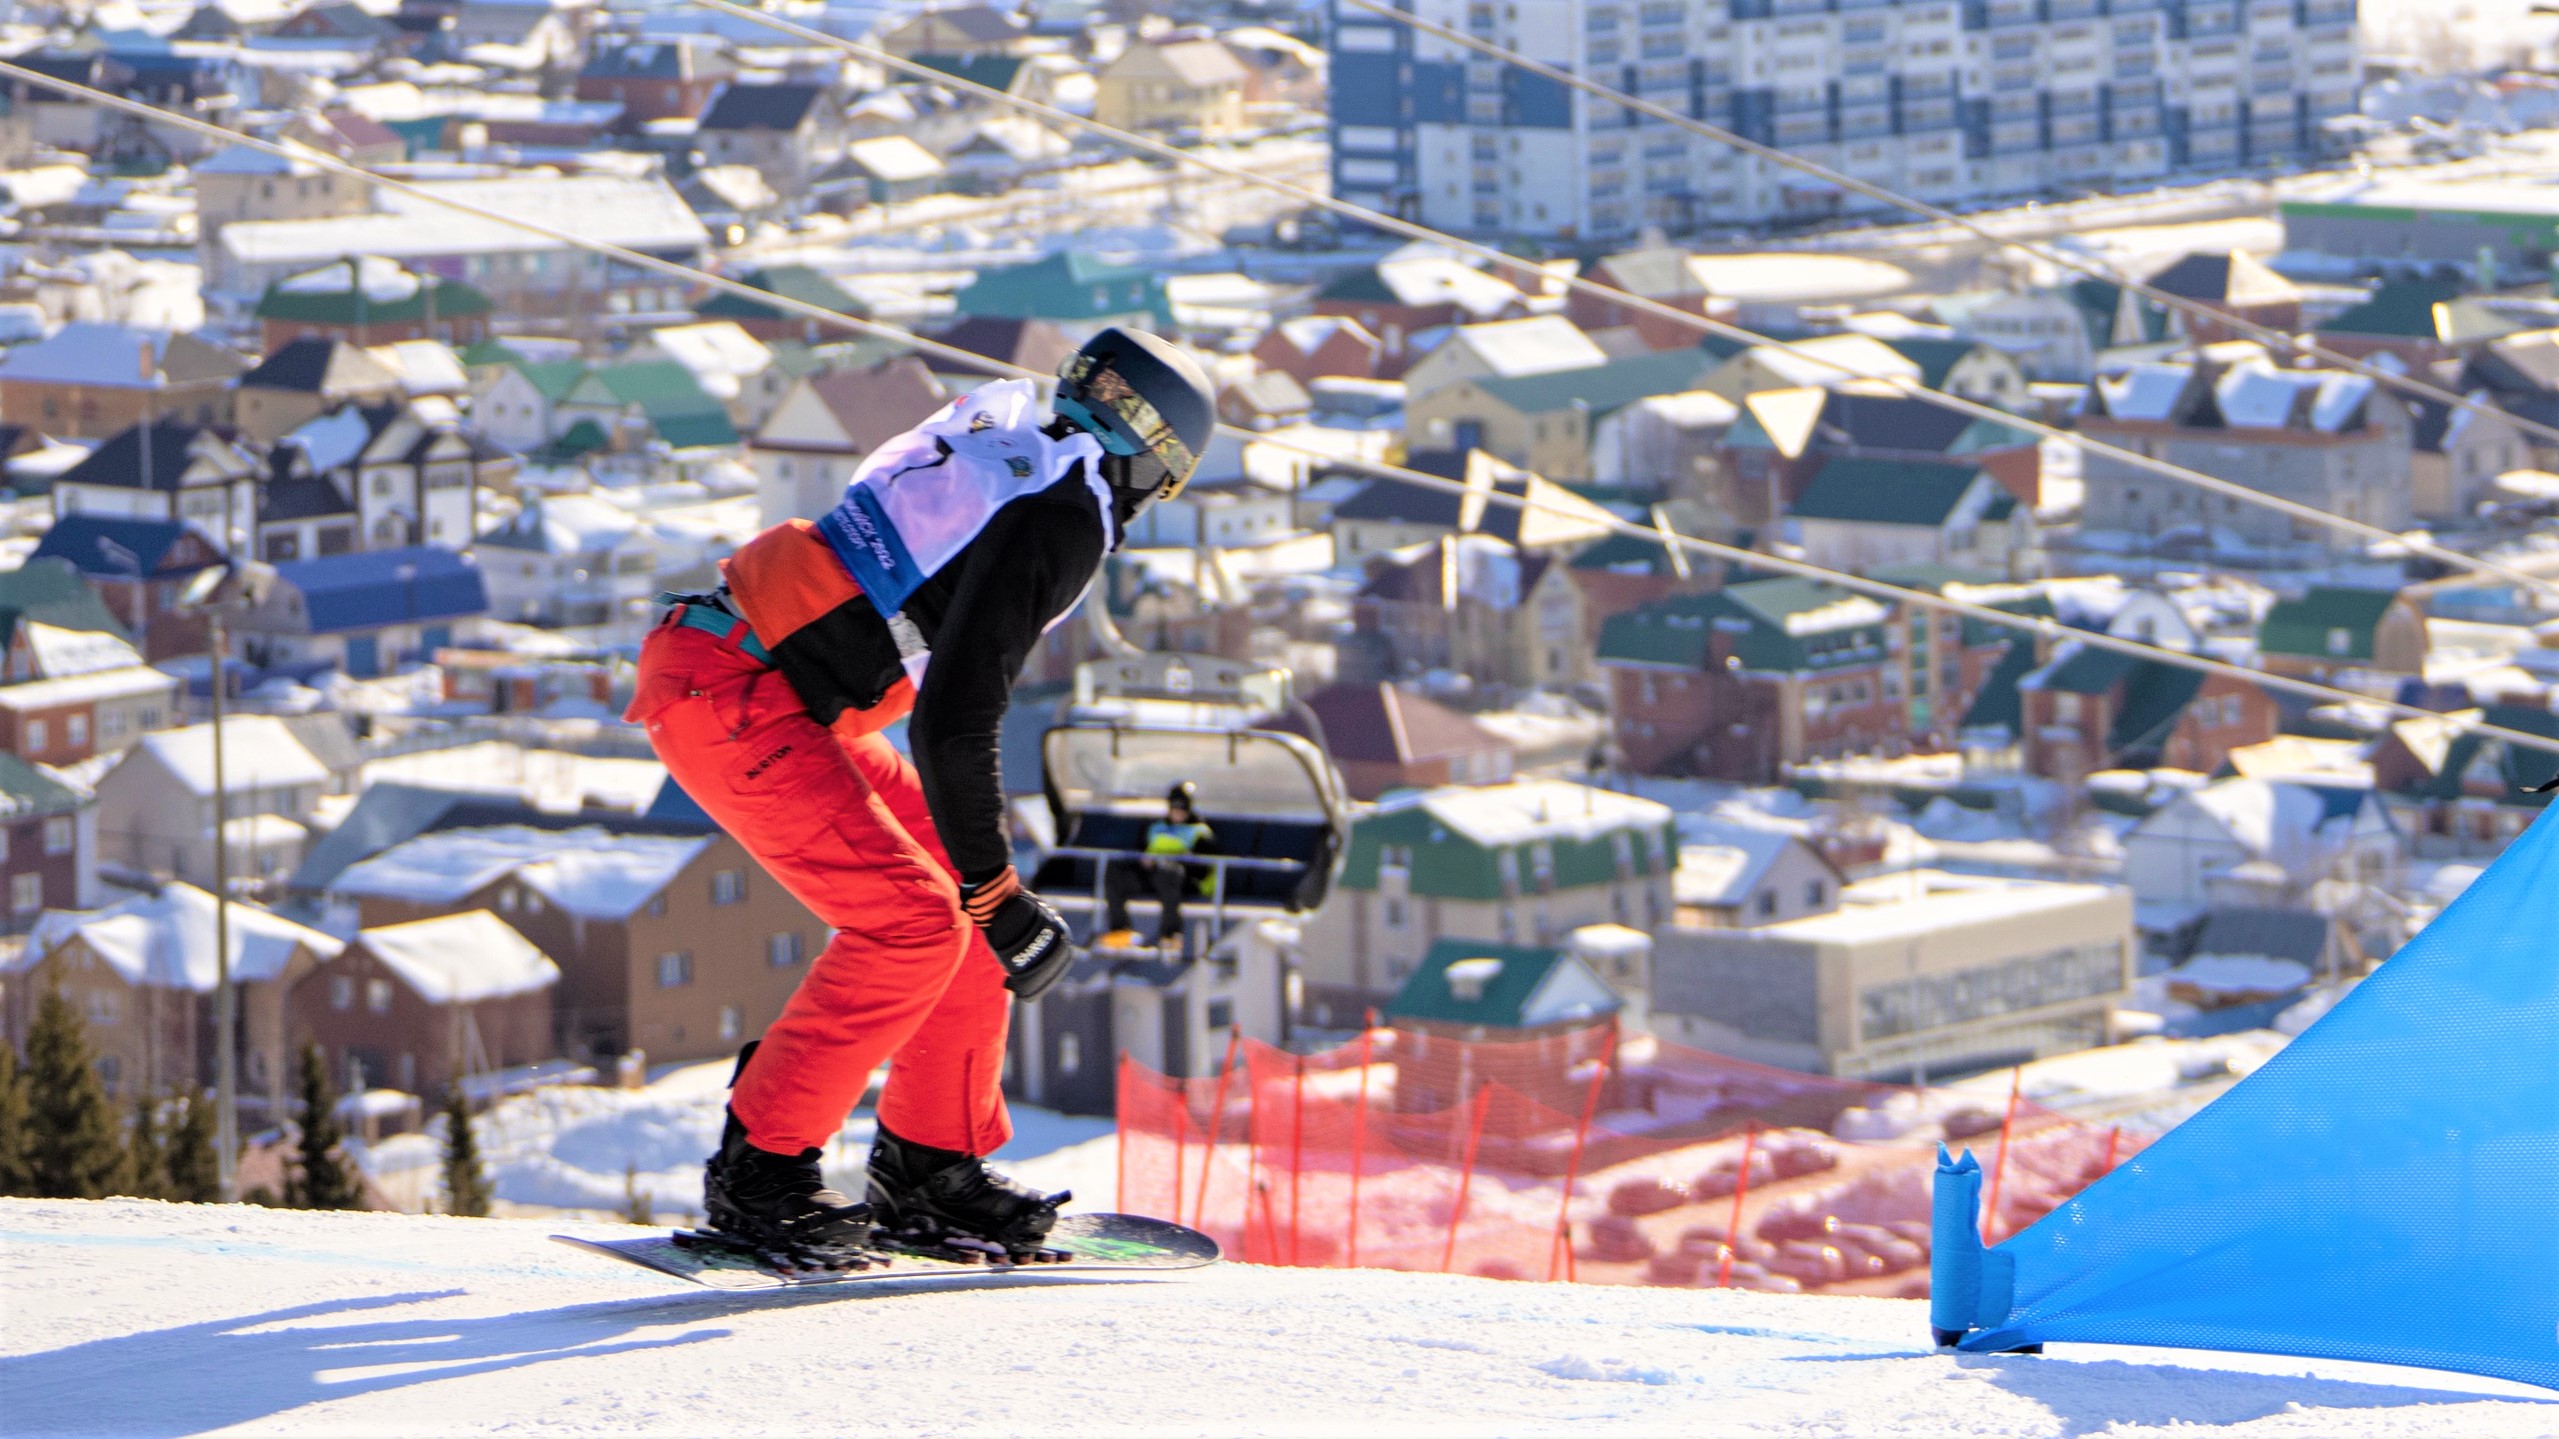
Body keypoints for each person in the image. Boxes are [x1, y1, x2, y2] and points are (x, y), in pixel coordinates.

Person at [626, 328, 1215, 1261]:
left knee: (965, 895)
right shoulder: (1071, 506)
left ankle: (933, 1161)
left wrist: (989, 888)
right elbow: (953, 719)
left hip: (745, 676)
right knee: (920, 919)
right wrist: (994, 889)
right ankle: (761, 1172)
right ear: (1159, 467)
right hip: (736, 693)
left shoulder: (1018, 422)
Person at [1101, 780, 1215, 949]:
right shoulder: (1157, 828)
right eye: (1174, 807)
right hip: (1154, 875)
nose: (1177, 812)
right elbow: (1142, 849)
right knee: (1115, 869)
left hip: (1184, 881)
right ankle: (1120, 930)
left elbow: (1202, 869)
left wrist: (1173, 860)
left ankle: (1170, 934)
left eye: (1182, 808)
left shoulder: (1199, 832)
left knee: (1169, 872)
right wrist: (1144, 861)